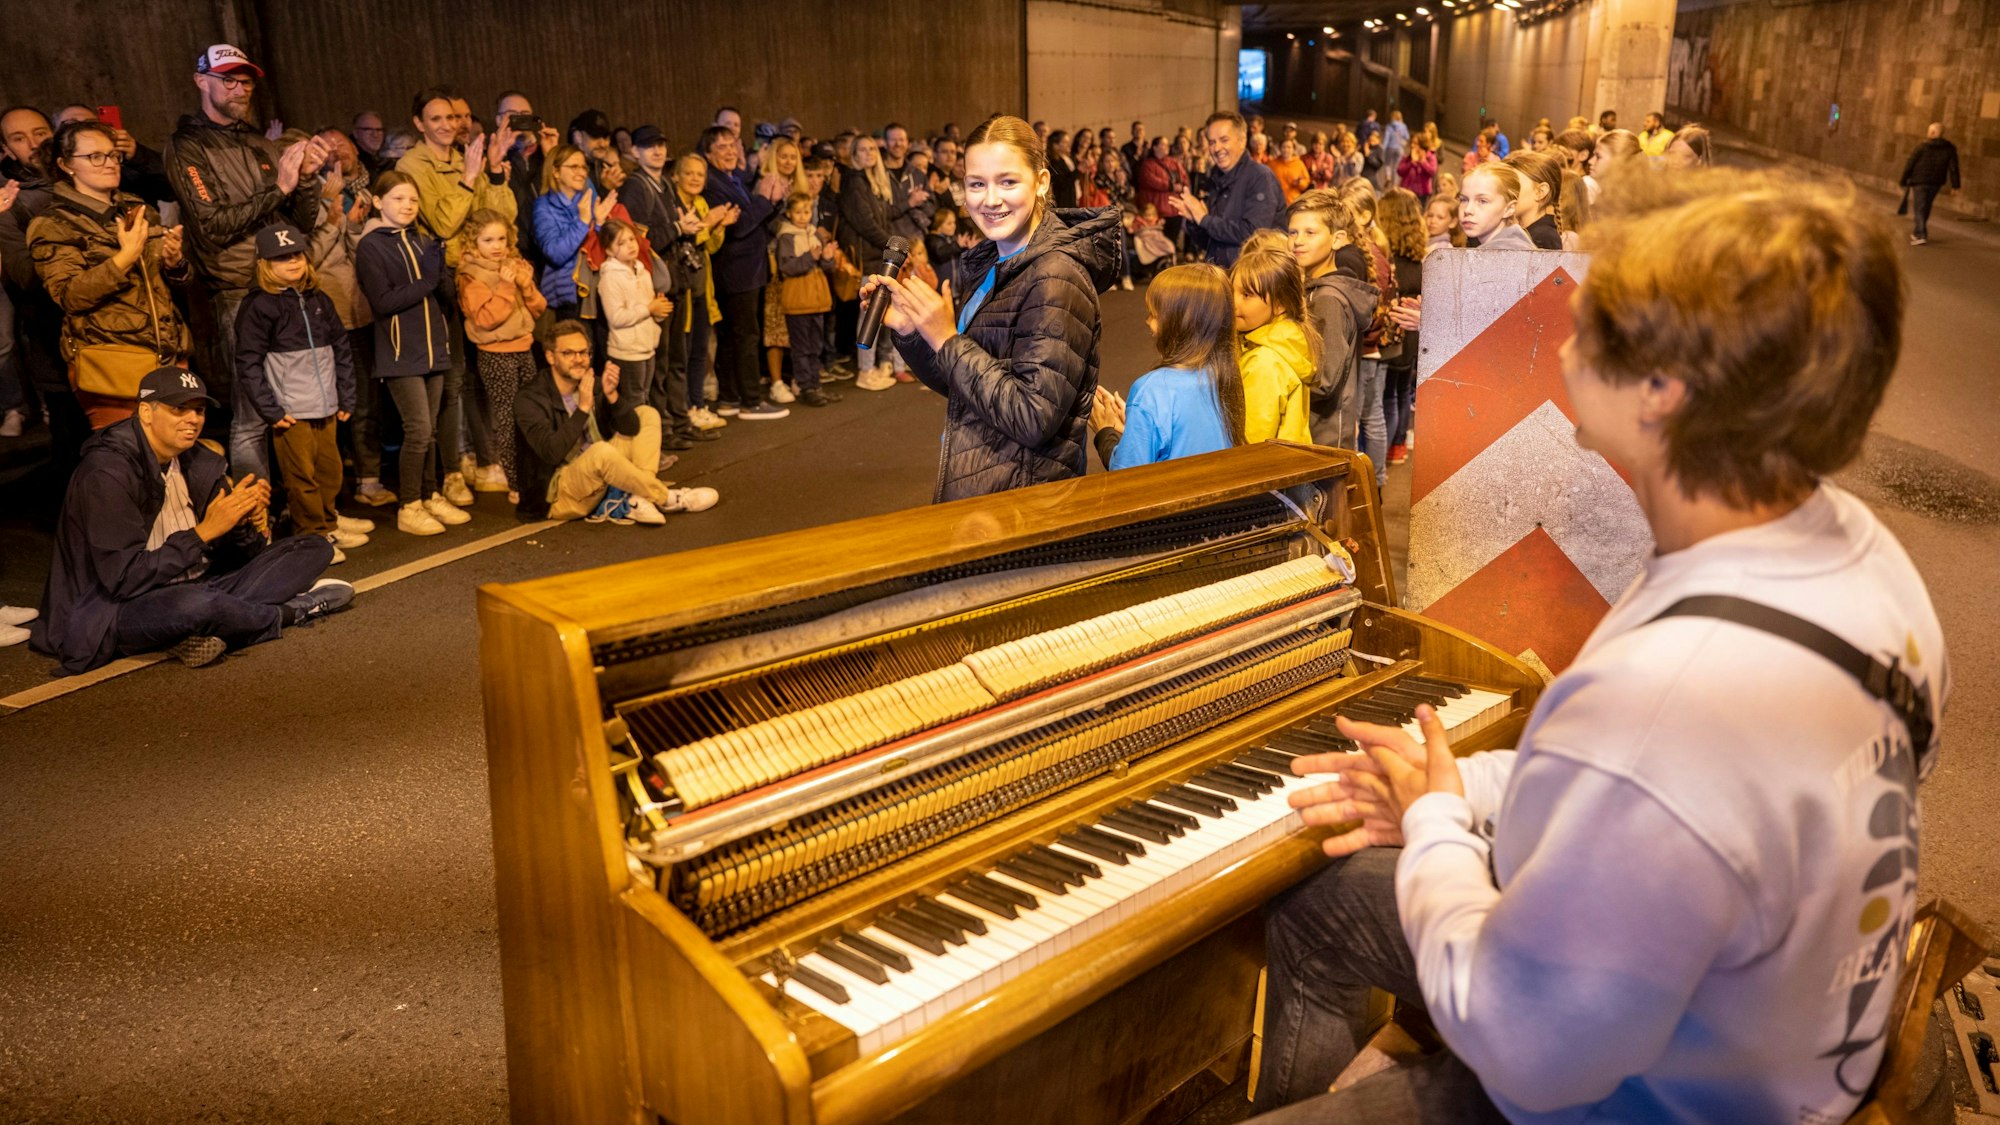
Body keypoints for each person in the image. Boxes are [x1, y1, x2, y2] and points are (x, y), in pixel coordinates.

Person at [1250, 167, 1943, 1125]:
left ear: (1661, 391)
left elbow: (1523, 1046)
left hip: (1636, 1096)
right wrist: (1461, 788)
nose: (1567, 326)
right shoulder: (1867, 558)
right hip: (1782, 1034)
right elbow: (1655, 807)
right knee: (1321, 911)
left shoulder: (1666, 693)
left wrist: (1441, 826)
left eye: (1597, 317)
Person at [32, 366, 351, 674]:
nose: (193, 420)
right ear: (146, 413)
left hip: (202, 583)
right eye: (179, 409)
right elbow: (123, 578)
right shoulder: (107, 473)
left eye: (199, 410)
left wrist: (244, 521)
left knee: (314, 547)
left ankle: (203, 628)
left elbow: (242, 556)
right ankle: (288, 612)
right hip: (117, 608)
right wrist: (202, 534)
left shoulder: (198, 461)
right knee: (194, 605)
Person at [869, 114, 1121, 502]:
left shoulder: (1055, 276)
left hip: (1024, 501)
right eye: (976, 184)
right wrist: (913, 333)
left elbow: (1033, 417)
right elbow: (965, 384)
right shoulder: (992, 263)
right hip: (988, 487)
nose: (990, 199)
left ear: (1041, 183)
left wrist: (948, 339)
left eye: (1007, 181)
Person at [166, 44, 329, 484]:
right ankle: (253, 524)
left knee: (298, 406)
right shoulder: (187, 147)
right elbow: (212, 225)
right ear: (202, 81)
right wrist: (280, 186)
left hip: (282, 286)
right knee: (253, 415)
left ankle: (306, 515)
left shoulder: (259, 141)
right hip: (239, 291)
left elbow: (299, 223)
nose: (240, 89)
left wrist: (308, 181)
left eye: (247, 81)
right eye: (229, 80)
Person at [26, 122, 194, 429]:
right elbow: (69, 295)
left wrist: (175, 264)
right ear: (66, 165)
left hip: (168, 354)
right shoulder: (53, 224)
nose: (109, 164)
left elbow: (173, 285)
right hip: (112, 362)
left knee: (179, 455)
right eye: (95, 157)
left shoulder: (138, 208)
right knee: (128, 459)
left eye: (113, 155)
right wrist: (124, 257)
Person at [235, 222, 362, 561]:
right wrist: (271, 410)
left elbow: (341, 348)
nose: (292, 262)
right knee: (300, 476)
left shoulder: (318, 299)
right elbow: (248, 363)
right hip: (292, 411)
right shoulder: (259, 306)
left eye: (297, 255)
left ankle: (328, 522)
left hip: (327, 406)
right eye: (281, 258)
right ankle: (311, 537)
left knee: (329, 470)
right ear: (265, 264)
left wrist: (346, 395)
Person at [513, 319, 718, 524]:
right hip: (560, 491)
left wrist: (613, 397)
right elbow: (551, 452)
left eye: (583, 353)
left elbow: (632, 428)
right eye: (568, 353)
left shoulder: (591, 384)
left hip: (601, 472)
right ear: (550, 356)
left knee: (646, 414)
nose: (578, 359)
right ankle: (668, 498)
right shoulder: (530, 399)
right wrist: (583, 408)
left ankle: (639, 495)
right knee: (600, 452)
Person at [356, 170, 465, 537]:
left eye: (413, 200)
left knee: (430, 430)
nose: (407, 206)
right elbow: (383, 301)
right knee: (417, 429)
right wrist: (427, 282)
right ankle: (410, 505)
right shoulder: (372, 246)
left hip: (434, 348)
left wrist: (444, 273)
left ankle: (430, 493)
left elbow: (443, 297)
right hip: (401, 353)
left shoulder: (421, 239)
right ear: (378, 202)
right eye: (399, 198)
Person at [1091, 263, 1244, 469]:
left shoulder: (1151, 390)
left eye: (1154, 315)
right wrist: (1135, 426)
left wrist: (1105, 432)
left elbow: (1127, 474)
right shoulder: (1222, 375)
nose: (1148, 323)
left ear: (1178, 323)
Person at [698, 126, 789, 419]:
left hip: (749, 268)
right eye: (721, 147)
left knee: (732, 337)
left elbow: (753, 219)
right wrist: (764, 199)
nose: (729, 151)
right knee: (744, 336)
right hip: (735, 270)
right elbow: (736, 228)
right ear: (708, 153)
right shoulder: (711, 183)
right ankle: (750, 401)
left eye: (731, 145)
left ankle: (729, 398)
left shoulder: (733, 177)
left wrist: (773, 201)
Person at [457, 208, 548, 499]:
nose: (496, 246)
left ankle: (535, 473)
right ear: (473, 243)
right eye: (488, 240)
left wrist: (525, 285)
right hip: (496, 354)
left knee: (531, 413)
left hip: (523, 347)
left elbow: (537, 307)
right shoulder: (472, 275)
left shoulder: (514, 266)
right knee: (508, 418)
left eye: (500, 239)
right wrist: (508, 287)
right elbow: (486, 318)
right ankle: (516, 482)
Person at [1289, 191, 1377, 452]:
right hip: (1312, 427)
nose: (1298, 241)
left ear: (1338, 239)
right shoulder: (1313, 288)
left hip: (1324, 435)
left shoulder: (1329, 298)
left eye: (1310, 233)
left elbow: (1325, 380)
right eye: (1292, 233)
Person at [1176, 112, 1285, 269]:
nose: (1217, 148)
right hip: (1221, 278)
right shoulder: (1215, 178)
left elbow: (1254, 235)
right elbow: (1212, 241)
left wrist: (1204, 219)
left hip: (1252, 282)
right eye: (1212, 142)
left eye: (1224, 140)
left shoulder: (1260, 177)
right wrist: (1195, 221)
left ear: (1242, 141)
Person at [1231, 249, 1316, 446]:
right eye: (1231, 291)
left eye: (1246, 295)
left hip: (1266, 469)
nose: (1233, 302)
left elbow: (1252, 442)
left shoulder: (1264, 363)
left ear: (1280, 304)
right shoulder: (1285, 343)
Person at [839, 134, 902, 392]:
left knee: (877, 312)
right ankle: (865, 370)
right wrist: (893, 244)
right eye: (862, 150)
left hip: (877, 255)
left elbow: (885, 217)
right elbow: (865, 224)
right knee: (869, 314)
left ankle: (874, 366)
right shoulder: (854, 182)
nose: (868, 153)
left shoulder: (874, 181)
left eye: (872, 149)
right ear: (853, 155)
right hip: (867, 257)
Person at [775, 191, 843, 407]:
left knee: (816, 346)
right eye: (798, 212)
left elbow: (827, 268)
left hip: (817, 298)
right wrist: (810, 257)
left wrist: (827, 258)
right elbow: (786, 267)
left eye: (806, 211)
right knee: (802, 348)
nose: (803, 216)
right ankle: (806, 386)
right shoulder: (787, 237)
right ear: (789, 213)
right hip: (798, 300)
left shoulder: (815, 234)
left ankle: (816, 384)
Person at [596, 217, 672, 412]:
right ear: (609, 250)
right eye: (621, 243)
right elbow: (616, 317)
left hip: (647, 346)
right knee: (633, 402)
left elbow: (649, 306)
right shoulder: (611, 277)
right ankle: (632, 441)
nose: (630, 245)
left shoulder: (642, 271)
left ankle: (644, 440)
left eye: (631, 239)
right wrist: (649, 309)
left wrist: (659, 311)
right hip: (627, 351)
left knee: (645, 398)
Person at [1377, 188, 1427, 465]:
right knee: (1401, 391)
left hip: (1394, 332)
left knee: (1387, 396)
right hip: (1413, 334)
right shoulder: (1420, 259)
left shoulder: (1389, 261)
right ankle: (1398, 445)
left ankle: (1385, 449)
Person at [1899, 122, 1960, 246]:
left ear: (1932, 132)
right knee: (1926, 206)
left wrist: (1903, 179)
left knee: (1919, 207)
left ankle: (1921, 234)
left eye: (1929, 131)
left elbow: (1910, 163)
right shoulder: (1949, 148)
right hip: (1936, 182)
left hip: (1920, 181)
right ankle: (1917, 232)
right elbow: (1954, 168)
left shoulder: (1922, 147)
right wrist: (1955, 185)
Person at [1461, 164, 1535, 250]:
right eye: (1463, 200)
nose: (1467, 210)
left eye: (1482, 201)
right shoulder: (1512, 247)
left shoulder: (1506, 254)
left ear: (1509, 209)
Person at [1504, 150, 1566, 250]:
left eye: (1515, 185)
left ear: (1540, 192)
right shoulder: (1525, 233)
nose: (1507, 191)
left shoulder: (1544, 237)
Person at [1269, 138, 1312, 205]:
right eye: (1284, 147)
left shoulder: (1299, 164)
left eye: (1289, 147)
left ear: (1293, 149)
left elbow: (1306, 181)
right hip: (1275, 202)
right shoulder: (1272, 164)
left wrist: (1299, 183)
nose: (1286, 150)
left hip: (1292, 202)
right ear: (1280, 149)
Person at [1398, 135, 1438, 200]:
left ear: (1422, 146)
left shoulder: (1430, 157)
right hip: (1405, 191)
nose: (1412, 145)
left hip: (1421, 194)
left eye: (1415, 143)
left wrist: (1422, 161)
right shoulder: (1408, 157)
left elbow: (1432, 172)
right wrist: (1411, 163)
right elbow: (1400, 171)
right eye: (1412, 143)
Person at [351, 110, 388, 176]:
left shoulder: (385, 159)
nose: (375, 135)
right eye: (368, 129)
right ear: (355, 133)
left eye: (379, 130)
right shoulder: (352, 162)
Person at [1380, 110, 1410, 188]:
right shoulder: (1404, 126)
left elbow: (1386, 138)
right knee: (1396, 167)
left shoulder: (1389, 126)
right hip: (1399, 148)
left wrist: (1384, 147)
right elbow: (1407, 137)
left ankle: (1388, 176)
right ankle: (1394, 185)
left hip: (1390, 147)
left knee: (1387, 164)